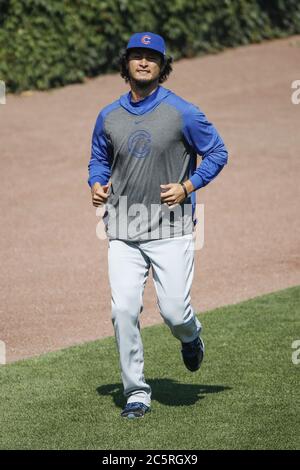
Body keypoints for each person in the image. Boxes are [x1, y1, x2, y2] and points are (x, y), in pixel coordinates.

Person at [88, 32, 228, 419]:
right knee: (123, 311)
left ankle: (191, 336)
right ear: (126, 64)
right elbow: (98, 159)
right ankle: (136, 392)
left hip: (172, 229)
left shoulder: (183, 111)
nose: (144, 62)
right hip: (122, 230)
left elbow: (218, 151)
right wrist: (96, 185)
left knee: (174, 312)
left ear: (163, 66)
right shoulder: (108, 115)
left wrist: (188, 185)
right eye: (137, 56)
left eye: (152, 57)